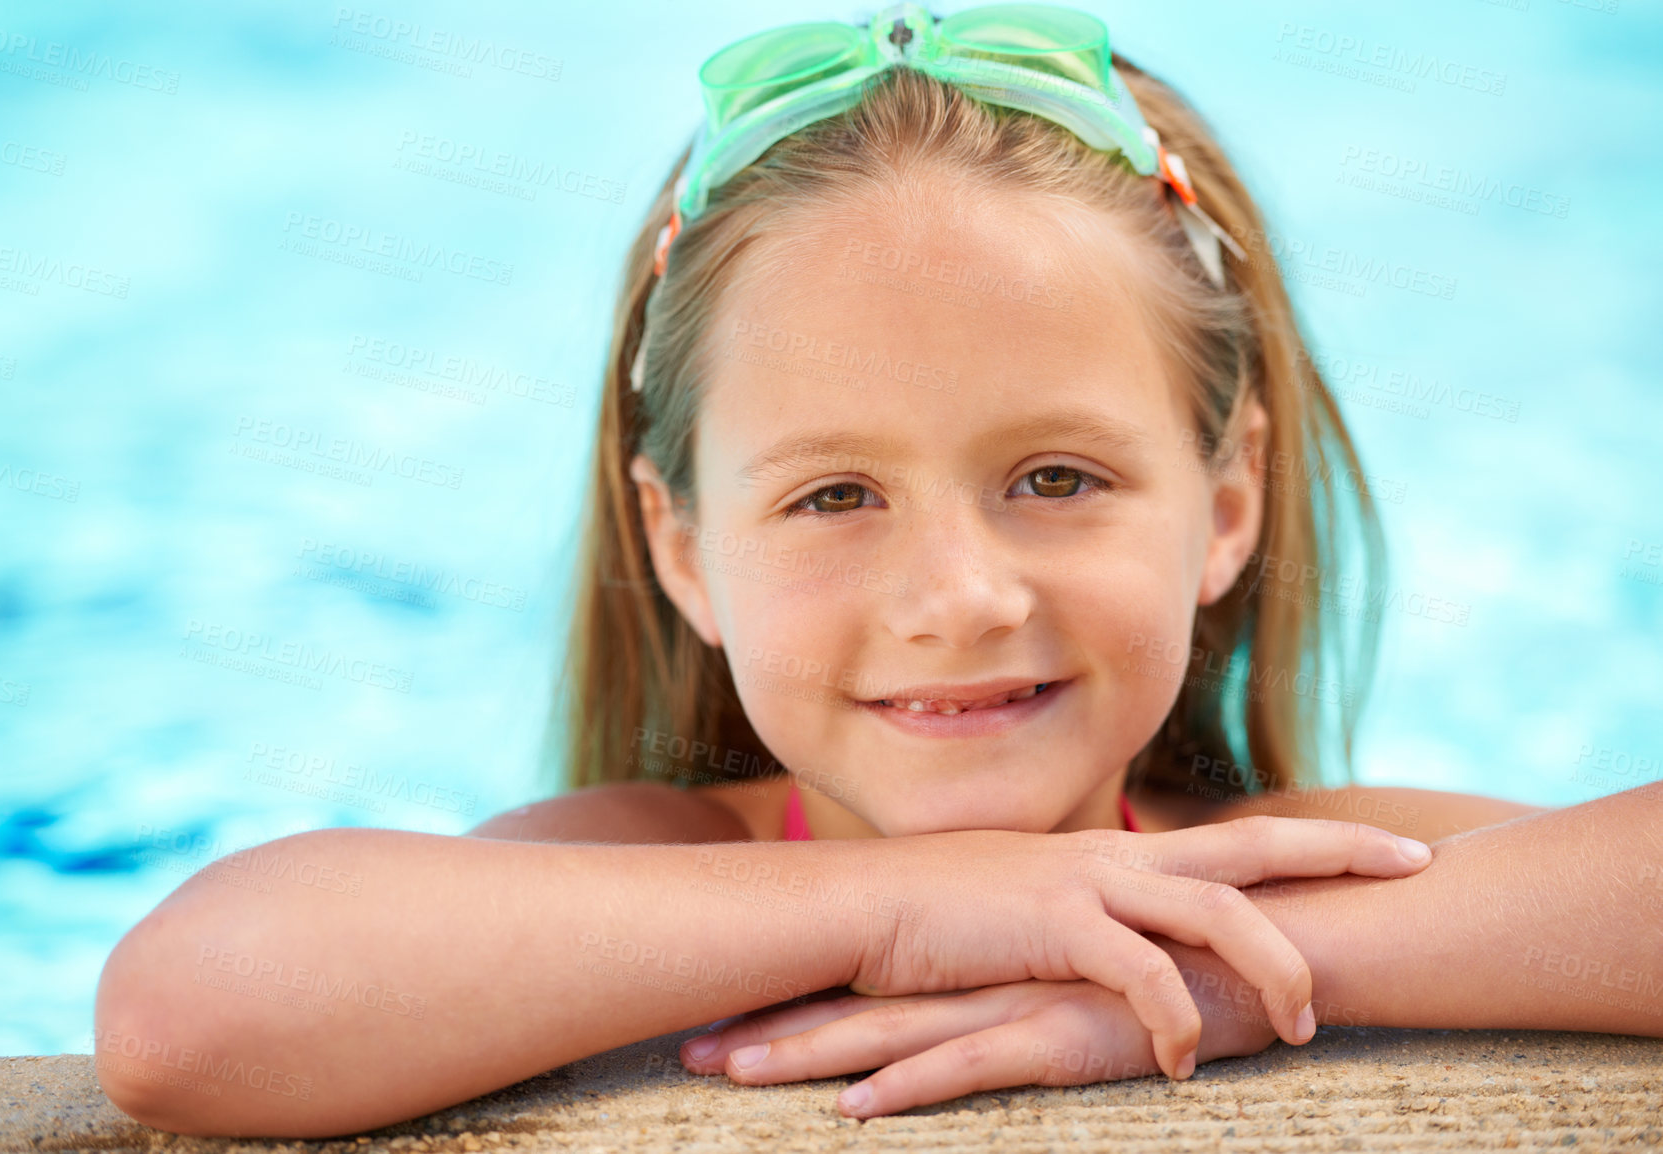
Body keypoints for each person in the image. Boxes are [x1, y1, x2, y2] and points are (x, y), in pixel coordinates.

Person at [93, 5, 1662, 1138]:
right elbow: (188, 1015)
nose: (959, 596)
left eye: (1058, 476)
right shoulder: (633, 868)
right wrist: (915, 910)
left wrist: (1257, 962)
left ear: (1229, 497)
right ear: (685, 548)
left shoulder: (1287, 872)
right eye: (837, 492)